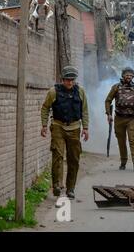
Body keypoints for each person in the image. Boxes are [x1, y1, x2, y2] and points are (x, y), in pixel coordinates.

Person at [40, 66, 89, 199]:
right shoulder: (53, 92)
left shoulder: (80, 91)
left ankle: (71, 188)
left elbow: (84, 110)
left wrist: (85, 128)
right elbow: (45, 108)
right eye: (67, 80)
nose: (70, 82)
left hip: (74, 128)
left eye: (72, 80)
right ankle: (56, 185)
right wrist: (44, 125)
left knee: (74, 159)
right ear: (62, 80)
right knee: (58, 156)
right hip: (58, 127)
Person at [105, 67, 134, 171]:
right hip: (119, 118)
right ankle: (123, 161)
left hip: (132, 118)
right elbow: (108, 100)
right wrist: (108, 114)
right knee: (121, 141)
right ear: (123, 76)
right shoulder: (116, 87)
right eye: (127, 75)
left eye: (131, 75)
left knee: (132, 139)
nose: (129, 77)